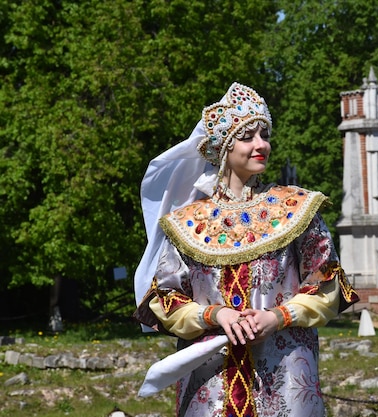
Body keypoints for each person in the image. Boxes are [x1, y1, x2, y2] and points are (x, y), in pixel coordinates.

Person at [133, 82, 359, 417]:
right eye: (248, 136)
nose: (261, 145)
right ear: (224, 147)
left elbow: (327, 285)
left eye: (264, 135)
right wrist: (215, 314)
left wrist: (276, 317)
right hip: (211, 383)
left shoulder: (297, 208)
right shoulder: (187, 222)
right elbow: (164, 298)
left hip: (283, 377)